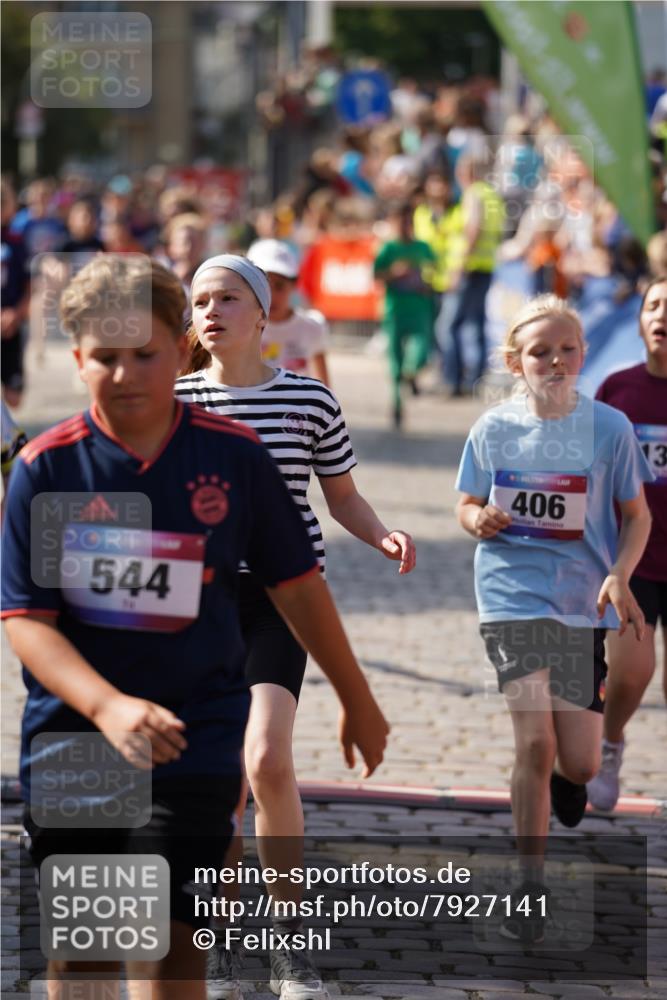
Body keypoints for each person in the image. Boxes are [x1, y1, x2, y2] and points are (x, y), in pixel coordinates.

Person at [1, 255, 389, 1000]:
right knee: (86, 953)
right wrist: (107, 706)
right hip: (78, 744)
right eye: (105, 358)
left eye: (144, 353)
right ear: (77, 358)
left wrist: (355, 694)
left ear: (181, 351)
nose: (125, 374)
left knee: (173, 949)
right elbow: (27, 620)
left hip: (198, 735)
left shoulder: (233, 457)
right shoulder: (45, 471)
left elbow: (297, 583)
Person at [175, 254, 414, 1000]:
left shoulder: (308, 400)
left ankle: (291, 945)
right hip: (193, 607)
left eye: (226, 298)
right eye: (200, 301)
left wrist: (380, 534)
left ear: (262, 312)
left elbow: (340, 498)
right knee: (218, 787)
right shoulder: (173, 398)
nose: (211, 311)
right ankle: (217, 945)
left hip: (281, 598)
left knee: (268, 760)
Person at [455, 294, 652, 945]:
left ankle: (573, 783)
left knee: (578, 760)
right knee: (533, 745)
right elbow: (466, 501)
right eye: (540, 351)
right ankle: (527, 880)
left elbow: (636, 516)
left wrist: (618, 574)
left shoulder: (608, 428)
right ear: (514, 361)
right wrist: (475, 518)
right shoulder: (492, 428)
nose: (555, 361)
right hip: (512, 599)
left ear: (583, 354)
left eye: (567, 349)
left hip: (579, 609)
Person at [587, 276, 667, 810]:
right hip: (632, 560)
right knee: (633, 673)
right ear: (639, 321)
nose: (663, 316)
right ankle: (611, 743)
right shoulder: (617, 390)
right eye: (655, 306)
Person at [445, 154, 505, 396]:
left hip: (469, 266)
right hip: (486, 265)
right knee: (477, 322)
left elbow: (473, 228)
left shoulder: (473, 194)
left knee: (450, 325)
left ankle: (453, 379)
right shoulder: (491, 194)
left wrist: (459, 267)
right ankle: (477, 379)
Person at [373, 203, 437, 427]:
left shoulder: (423, 248)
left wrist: (429, 284)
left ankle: (412, 372)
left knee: (421, 349)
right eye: (399, 222)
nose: (404, 227)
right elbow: (376, 275)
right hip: (395, 310)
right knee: (395, 362)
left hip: (419, 307)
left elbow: (435, 271)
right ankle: (397, 404)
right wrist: (393, 272)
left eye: (408, 222)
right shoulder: (388, 249)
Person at [246, 238, 330, 385]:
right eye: (263, 286)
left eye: (279, 286)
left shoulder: (313, 326)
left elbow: (325, 387)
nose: (271, 296)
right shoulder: (237, 327)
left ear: (294, 284)